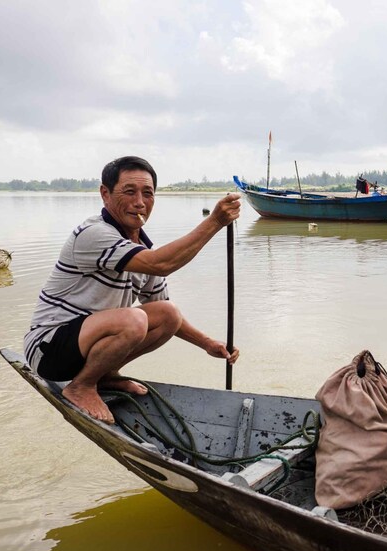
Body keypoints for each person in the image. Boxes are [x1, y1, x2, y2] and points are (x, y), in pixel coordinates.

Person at [24, 156, 241, 424]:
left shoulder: (140, 249)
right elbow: (162, 263)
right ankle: (81, 386)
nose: (140, 202)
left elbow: (166, 312)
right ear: (105, 194)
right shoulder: (93, 234)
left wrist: (207, 343)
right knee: (134, 319)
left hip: (88, 344)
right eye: (129, 192)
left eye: (147, 194)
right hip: (49, 349)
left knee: (167, 314)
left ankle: (105, 375)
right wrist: (215, 222)